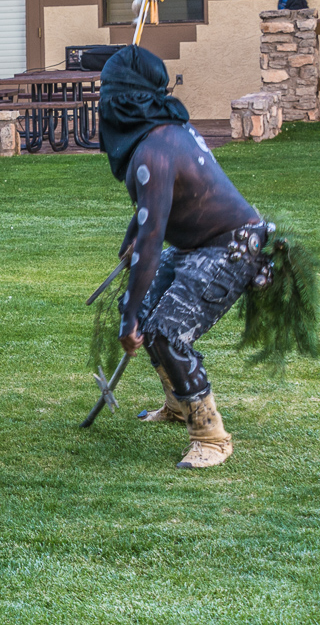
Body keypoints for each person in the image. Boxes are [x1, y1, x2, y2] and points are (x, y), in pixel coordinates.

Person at [101, 45, 268, 469]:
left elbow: (153, 239)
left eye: (108, 92)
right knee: (146, 313)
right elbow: (150, 212)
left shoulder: (156, 149)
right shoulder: (164, 131)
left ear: (125, 100)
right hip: (195, 244)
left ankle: (210, 435)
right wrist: (131, 240)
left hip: (228, 245)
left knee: (164, 331)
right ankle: (179, 404)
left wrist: (129, 318)